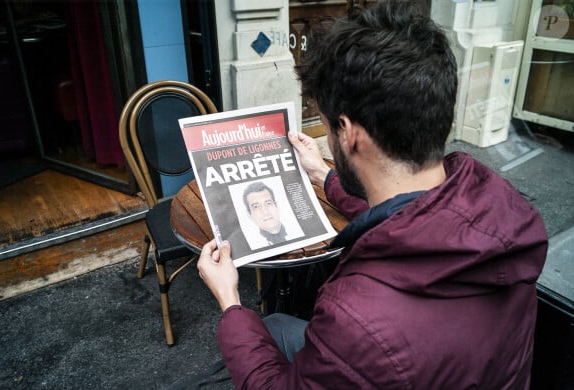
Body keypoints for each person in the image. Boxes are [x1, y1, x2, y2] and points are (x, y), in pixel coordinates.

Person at [197, 1, 548, 388]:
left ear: (348, 133)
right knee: (277, 325)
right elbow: (409, 211)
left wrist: (230, 300)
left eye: (328, 126)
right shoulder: (499, 208)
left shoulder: (356, 321)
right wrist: (325, 174)